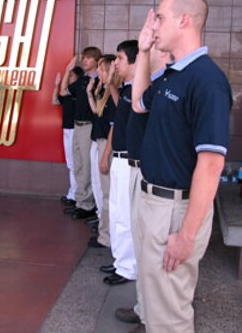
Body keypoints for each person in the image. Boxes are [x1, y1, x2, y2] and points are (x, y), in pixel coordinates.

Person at [132, 0, 232, 332]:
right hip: (150, 201)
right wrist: (144, 52)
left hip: (174, 212)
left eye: (159, 17)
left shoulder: (207, 81)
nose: (153, 25)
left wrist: (186, 234)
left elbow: (211, 165)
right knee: (153, 299)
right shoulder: (172, 73)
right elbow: (138, 104)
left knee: (170, 315)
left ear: (183, 20)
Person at [115, 33, 170, 332]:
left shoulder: (164, 86)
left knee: (152, 253)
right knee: (140, 245)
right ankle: (142, 308)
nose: (154, 51)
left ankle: (152, 318)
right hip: (135, 169)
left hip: (150, 173)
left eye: (156, 48)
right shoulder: (147, 87)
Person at [100, 40, 138, 286]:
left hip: (131, 162)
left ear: (134, 61)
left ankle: (127, 268)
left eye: (120, 58)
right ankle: (120, 261)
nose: (115, 63)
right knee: (116, 212)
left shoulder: (140, 91)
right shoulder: (126, 89)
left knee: (124, 215)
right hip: (120, 159)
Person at [59, 47, 102, 220]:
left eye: (88, 58)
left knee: (86, 166)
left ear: (96, 61)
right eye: (83, 58)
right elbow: (63, 92)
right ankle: (80, 201)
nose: (84, 60)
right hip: (76, 126)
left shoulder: (99, 80)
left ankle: (87, 204)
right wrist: (67, 70)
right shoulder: (83, 79)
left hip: (89, 126)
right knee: (77, 164)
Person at [86, 54, 119, 248]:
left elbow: (114, 126)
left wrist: (106, 155)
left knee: (107, 193)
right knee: (102, 191)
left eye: (101, 69)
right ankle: (104, 231)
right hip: (99, 142)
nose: (98, 72)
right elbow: (97, 112)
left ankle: (106, 236)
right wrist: (93, 93)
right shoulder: (105, 91)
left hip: (107, 145)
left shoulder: (115, 93)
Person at [52, 64, 84, 206]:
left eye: (71, 75)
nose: (69, 78)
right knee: (71, 164)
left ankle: (75, 195)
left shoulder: (77, 92)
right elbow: (55, 100)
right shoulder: (69, 94)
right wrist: (56, 85)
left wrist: (66, 72)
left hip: (75, 130)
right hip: (67, 129)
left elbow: (65, 91)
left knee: (75, 164)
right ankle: (73, 192)